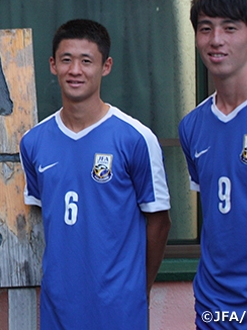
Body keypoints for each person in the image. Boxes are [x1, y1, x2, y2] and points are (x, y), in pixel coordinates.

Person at [19, 18, 171, 329]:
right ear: (52, 65)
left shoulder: (135, 138)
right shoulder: (33, 142)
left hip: (119, 309)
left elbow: (159, 222)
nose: (75, 70)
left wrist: (138, 289)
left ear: (106, 66)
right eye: (66, 60)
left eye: (86, 61)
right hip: (57, 309)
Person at [179, 0, 247, 329]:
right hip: (214, 307)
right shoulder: (191, 126)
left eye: (230, 28)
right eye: (206, 28)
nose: (215, 40)